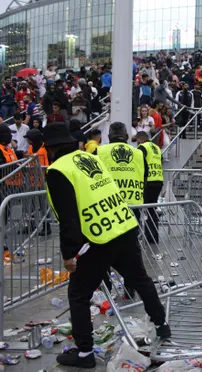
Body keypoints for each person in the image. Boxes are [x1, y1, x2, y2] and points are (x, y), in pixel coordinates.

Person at [43, 123, 169, 368]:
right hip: (123, 225)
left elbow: (69, 217)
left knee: (78, 294)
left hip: (98, 238)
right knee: (140, 278)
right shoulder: (87, 158)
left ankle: (84, 353)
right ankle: (161, 325)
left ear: (50, 148)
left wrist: (69, 254)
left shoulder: (58, 170)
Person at [95, 122, 146, 219]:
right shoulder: (139, 153)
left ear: (109, 137)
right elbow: (146, 177)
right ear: (127, 137)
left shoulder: (99, 151)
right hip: (134, 205)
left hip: (107, 205)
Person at [136, 131, 164, 244]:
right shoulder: (156, 147)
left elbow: (139, 162)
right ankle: (152, 237)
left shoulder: (142, 147)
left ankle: (141, 236)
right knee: (151, 209)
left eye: (137, 140)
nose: (137, 143)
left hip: (148, 181)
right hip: (158, 180)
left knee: (142, 208)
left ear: (140, 139)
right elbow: (161, 162)